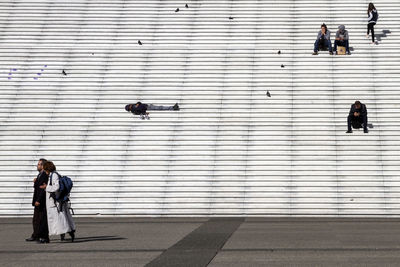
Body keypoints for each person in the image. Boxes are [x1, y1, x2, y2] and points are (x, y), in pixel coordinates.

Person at [40, 161, 76, 242]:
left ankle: (70, 232)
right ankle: (67, 234)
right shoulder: (54, 175)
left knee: (60, 219)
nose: (45, 171)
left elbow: (56, 187)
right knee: (60, 219)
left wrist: (46, 187)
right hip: (55, 202)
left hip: (55, 202)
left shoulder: (54, 175)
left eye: (45, 169)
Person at [26, 158, 49, 243]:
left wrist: (38, 200)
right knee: (36, 220)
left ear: (42, 166)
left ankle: (43, 236)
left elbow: (43, 189)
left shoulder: (44, 175)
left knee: (42, 220)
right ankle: (36, 235)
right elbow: (38, 187)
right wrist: (35, 182)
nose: (37, 166)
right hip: (38, 201)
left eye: (39, 164)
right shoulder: (40, 174)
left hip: (41, 202)